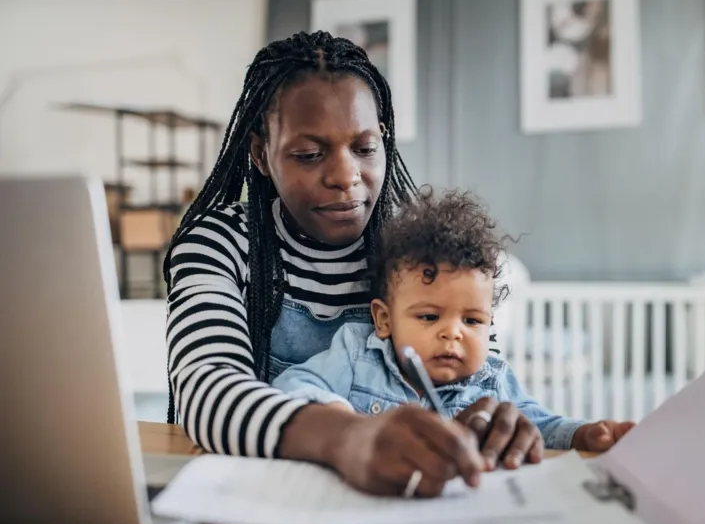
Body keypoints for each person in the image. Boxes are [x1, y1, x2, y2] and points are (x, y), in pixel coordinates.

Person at [164, 31, 541, 498]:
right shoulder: (221, 241)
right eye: (308, 154)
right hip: (264, 499)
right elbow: (207, 392)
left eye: (364, 148)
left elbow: (485, 373)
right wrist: (348, 438)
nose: (345, 177)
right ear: (261, 155)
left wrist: (491, 418)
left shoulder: (419, 249)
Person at [271, 188, 635, 463]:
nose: (453, 333)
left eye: (472, 320)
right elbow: (292, 384)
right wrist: (344, 423)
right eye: (429, 317)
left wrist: (585, 435)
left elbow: (541, 426)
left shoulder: (493, 381)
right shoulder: (357, 354)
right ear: (384, 319)